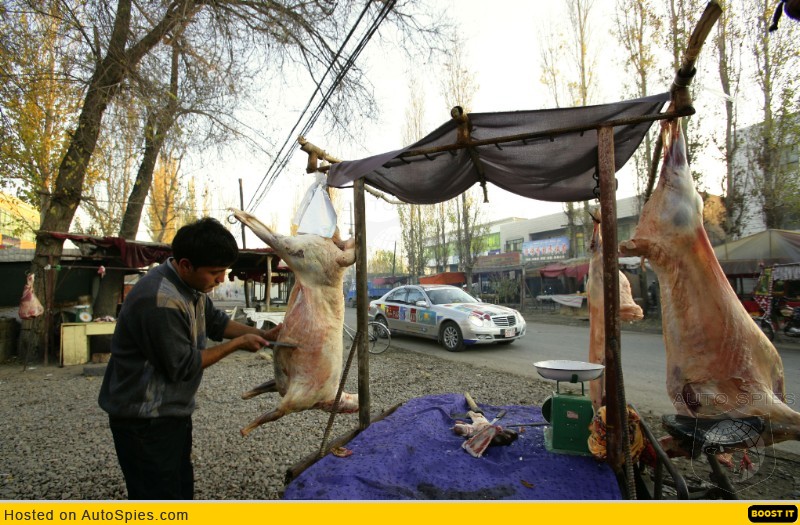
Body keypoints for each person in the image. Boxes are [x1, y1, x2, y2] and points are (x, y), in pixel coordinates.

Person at [98, 217, 280, 500]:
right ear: (185, 265)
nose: (221, 279)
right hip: (144, 419)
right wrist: (238, 344)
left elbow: (217, 322)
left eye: (224, 271)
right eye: (215, 272)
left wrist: (263, 334)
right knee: (157, 496)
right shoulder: (160, 300)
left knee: (179, 488)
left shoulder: (192, 287)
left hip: (171, 413)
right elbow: (182, 366)